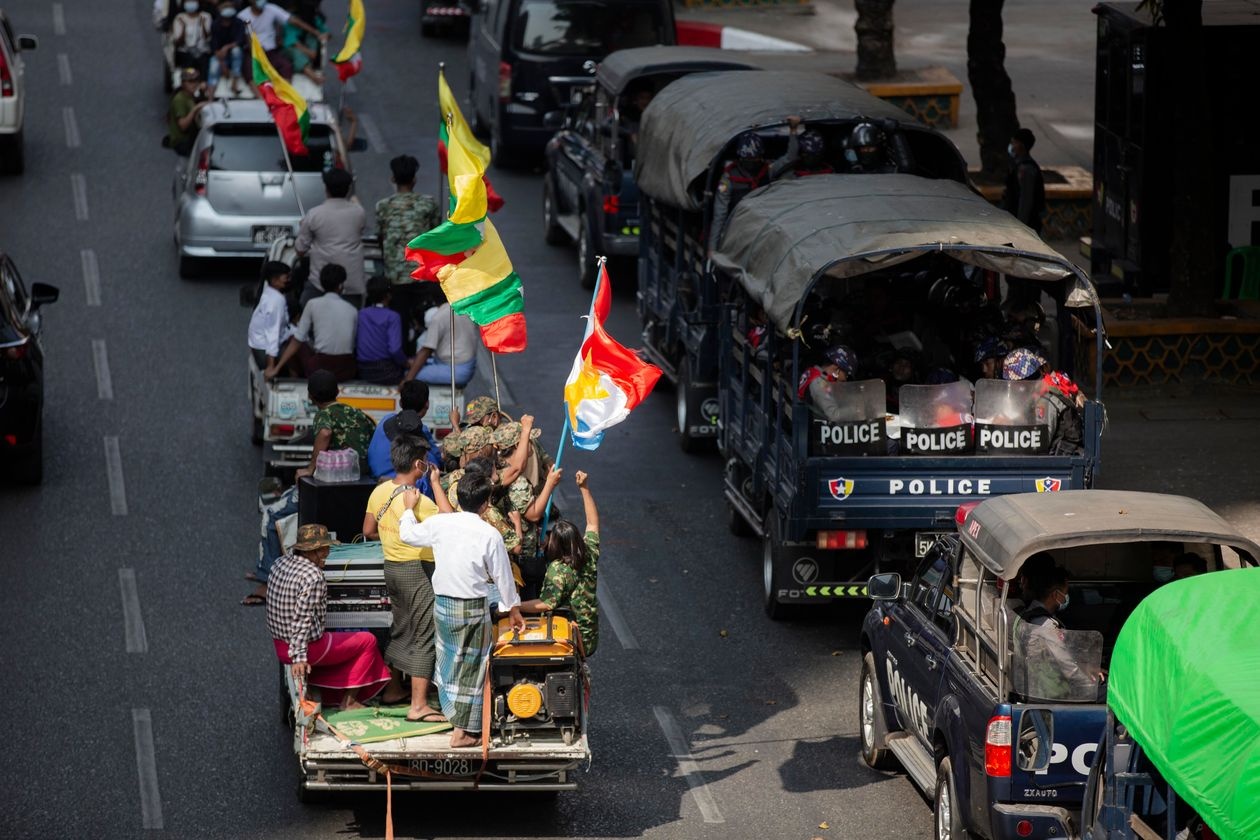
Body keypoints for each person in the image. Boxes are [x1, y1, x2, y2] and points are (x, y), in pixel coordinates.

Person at [398, 472, 526, 749]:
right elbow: (503, 577)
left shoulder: (440, 523)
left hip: (443, 606)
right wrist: (513, 609)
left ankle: (455, 717)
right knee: (472, 669)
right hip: (472, 609)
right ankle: (463, 732)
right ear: (486, 504)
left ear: (458, 498)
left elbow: (407, 534)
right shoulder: (490, 534)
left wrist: (408, 509)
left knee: (450, 665)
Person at [361, 438, 447, 722]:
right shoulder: (420, 501)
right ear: (418, 464)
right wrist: (436, 483)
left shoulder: (380, 491)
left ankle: (393, 689)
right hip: (418, 570)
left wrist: (393, 537)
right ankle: (418, 705)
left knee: (400, 627)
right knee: (424, 633)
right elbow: (450, 522)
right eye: (426, 461)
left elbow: (368, 530)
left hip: (392, 568)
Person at [266, 523, 391, 709]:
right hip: (305, 649)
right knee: (368, 641)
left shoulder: (279, 563)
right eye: (323, 549)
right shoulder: (313, 576)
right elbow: (302, 619)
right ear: (310, 551)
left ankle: (320, 688)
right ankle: (349, 701)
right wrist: (299, 658)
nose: (327, 553)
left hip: (280, 646)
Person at [520, 470, 601, 656]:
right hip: (590, 635)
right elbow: (592, 523)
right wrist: (584, 488)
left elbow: (546, 604)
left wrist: (515, 606)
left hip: (567, 638)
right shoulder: (589, 552)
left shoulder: (557, 569)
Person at [1016, 564, 1105, 702]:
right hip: (1053, 692)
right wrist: (1090, 685)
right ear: (1055, 594)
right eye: (1065, 592)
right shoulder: (1045, 625)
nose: (1066, 598)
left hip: (1045, 684)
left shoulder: (1027, 615)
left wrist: (1085, 667)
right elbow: (1069, 669)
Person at [375, 155, 442, 320]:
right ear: (414, 179)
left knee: (400, 323)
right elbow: (436, 236)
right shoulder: (429, 203)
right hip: (422, 276)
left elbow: (380, 237)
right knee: (426, 322)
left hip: (395, 277)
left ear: (393, 179)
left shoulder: (382, 206)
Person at [267, 264, 358, 381]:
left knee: (291, 339)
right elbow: (353, 344)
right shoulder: (352, 309)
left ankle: (294, 378)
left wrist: (276, 368)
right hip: (346, 370)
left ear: (322, 284)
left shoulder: (312, 304)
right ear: (341, 285)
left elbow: (298, 339)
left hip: (320, 368)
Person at [296, 168, 367, 307]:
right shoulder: (359, 212)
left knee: (303, 311)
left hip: (320, 285)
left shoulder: (314, 214)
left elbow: (300, 250)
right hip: (351, 284)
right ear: (348, 189)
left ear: (326, 189)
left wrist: (303, 227)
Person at [1004, 348, 1085, 456]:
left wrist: (1010, 429)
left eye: (1013, 383)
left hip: (1062, 460)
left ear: (1023, 382)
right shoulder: (1034, 392)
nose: (1012, 388)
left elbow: (1040, 442)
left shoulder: (1045, 399)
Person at [297, 369, 376, 479]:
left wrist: (310, 469)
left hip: (341, 473)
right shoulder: (356, 412)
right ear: (338, 392)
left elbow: (325, 433)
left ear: (310, 396)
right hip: (365, 473)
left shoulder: (324, 414)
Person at [709, 131, 770, 255]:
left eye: (755, 158)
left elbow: (788, 159)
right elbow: (720, 214)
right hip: (736, 227)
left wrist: (793, 132)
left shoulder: (767, 172)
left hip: (762, 226)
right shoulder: (728, 178)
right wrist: (713, 248)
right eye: (748, 159)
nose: (751, 162)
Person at [367, 386, 441, 482]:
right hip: (400, 483)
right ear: (427, 404)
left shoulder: (386, 419)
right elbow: (436, 464)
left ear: (400, 402)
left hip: (374, 478)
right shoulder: (421, 430)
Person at [238, 0, 328, 79]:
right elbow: (247, 38)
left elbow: (293, 20)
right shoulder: (242, 16)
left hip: (271, 52)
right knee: (251, 72)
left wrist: (316, 32)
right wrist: (257, 53)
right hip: (254, 53)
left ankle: (285, 92)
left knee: (286, 67)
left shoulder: (271, 9)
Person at [402, 301, 479, 388]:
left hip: (456, 369)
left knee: (409, 374)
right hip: (465, 364)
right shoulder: (460, 307)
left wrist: (407, 380)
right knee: (415, 365)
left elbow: (426, 351)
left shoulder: (438, 318)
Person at [356, 277, 407, 385]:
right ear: (389, 295)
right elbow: (395, 350)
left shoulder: (361, 314)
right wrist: (406, 362)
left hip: (363, 369)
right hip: (385, 370)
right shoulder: (393, 316)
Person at [247, 260, 292, 371]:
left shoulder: (269, 293)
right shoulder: (276, 301)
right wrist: (271, 366)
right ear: (274, 280)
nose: (288, 280)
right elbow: (273, 332)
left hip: (259, 344)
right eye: (286, 277)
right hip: (265, 349)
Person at [1002, 128, 1047, 235]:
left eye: (1014, 143)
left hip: (1025, 225)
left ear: (1021, 146)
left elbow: (1025, 201)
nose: (1011, 146)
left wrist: (1020, 228)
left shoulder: (1026, 169)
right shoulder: (1017, 164)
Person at [799, 345, 858, 421]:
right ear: (836, 369)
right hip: (814, 425)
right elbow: (834, 415)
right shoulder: (819, 383)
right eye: (846, 374)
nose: (845, 379)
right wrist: (857, 410)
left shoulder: (817, 376)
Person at [166, 67, 210, 156]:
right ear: (183, 83)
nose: (194, 84)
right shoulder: (180, 99)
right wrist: (195, 109)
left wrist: (203, 93)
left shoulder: (191, 96)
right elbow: (183, 126)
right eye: (190, 81)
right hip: (182, 141)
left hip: (190, 138)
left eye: (196, 81)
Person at [207, 2, 248, 94]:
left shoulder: (238, 23)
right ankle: (210, 95)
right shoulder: (215, 24)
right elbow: (214, 46)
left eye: (230, 7)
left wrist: (226, 47)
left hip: (235, 55)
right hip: (220, 55)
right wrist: (222, 64)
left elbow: (240, 41)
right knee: (214, 66)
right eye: (225, 7)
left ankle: (235, 82)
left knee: (236, 51)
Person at [171, 1, 212, 76]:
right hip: (186, 53)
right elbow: (178, 42)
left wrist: (202, 25)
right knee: (189, 71)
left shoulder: (206, 16)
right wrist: (184, 28)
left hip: (202, 53)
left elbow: (208, 38)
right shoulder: (179, 17)